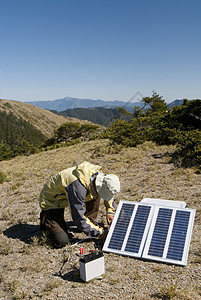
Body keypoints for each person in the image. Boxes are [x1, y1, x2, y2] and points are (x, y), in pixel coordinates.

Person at [39, 161, 120, 248]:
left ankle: (89, 223)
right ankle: (46, 220)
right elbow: (78, 217)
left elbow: (109, 193)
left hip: (71, 193)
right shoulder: (77, 188)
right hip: (52, 200)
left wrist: (110, 211)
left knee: (96, 194)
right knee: (61, 241)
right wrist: (101, 234)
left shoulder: (101, 177)